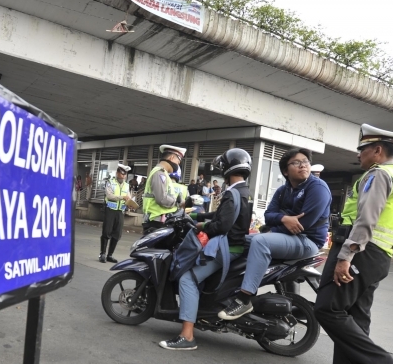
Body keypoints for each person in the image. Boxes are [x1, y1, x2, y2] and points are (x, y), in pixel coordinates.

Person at [314, 124, 393, 364]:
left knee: (328, 309)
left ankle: (380, 362)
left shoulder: (378, 175)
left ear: (377, 151)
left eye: (362, 149)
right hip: (379, 256)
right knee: (357, 316)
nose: (358, 155)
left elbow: (366, 219)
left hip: (361, 252)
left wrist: (345, 256)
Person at [218, 147, 331, 320]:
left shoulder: (318, 188)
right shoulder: (283, 190)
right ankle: (223, 288)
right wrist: (285, 219)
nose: (303, 166)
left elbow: (302, 224)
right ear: (286, 171)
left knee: (261, 241)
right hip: (285, 237)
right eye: (296, 163)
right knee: (236, 240)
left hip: (307, 241)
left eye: (305, 162)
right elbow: (268, 215)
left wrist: (275, 226)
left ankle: (244, 298)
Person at [159, 149, 253, 350]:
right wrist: (195, 217)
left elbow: (221, 226)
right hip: (233, 246)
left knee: (187, 278)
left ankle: (187, 336)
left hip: (226, 248)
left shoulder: (233, 193)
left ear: (229, 169)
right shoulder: (242, 191)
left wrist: (201, 227)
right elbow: (221, 217)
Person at [141, 145, 187, 234]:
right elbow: (161, 198)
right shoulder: (159, 173)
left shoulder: (164, 174)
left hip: (160, 220)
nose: (178, 164)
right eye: (178, 161)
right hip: (156, 222)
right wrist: (178, 203)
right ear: (172, 157)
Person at [100, 164, 132, 263]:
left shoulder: (127, 186)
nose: (123, 176)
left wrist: (130, 204)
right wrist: (122, 197)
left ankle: (110, 255)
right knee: (106, 232)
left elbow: (129, 198)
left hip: (120, 212)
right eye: (121, 173)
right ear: (117, 173)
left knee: (117, 234)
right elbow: (109, 196)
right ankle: (102, 254)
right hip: (110, 210)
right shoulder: (110, 182)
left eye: (125, 174)